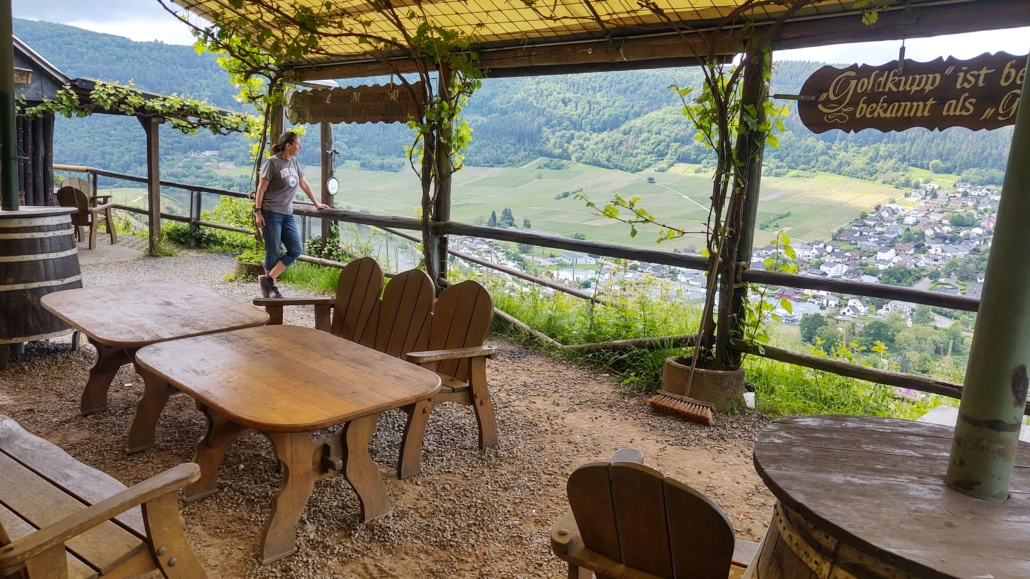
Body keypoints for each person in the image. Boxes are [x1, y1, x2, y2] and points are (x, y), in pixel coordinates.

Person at [253, 131, 328, 298]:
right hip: (271, 212)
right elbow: (261, 189)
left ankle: (268, 280)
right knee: (273, 250)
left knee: (296, 249)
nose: (300, 147)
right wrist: (258, 212)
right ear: (288, 145)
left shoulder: (294, 163)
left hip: (287, 213)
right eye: (298, 144)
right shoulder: (272, 163)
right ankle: (271, 290)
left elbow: (304, 184)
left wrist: (316, 203)